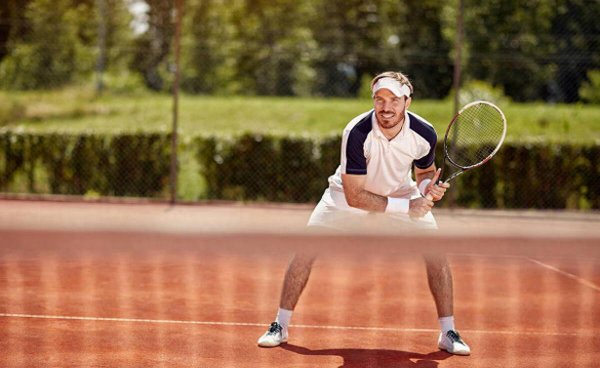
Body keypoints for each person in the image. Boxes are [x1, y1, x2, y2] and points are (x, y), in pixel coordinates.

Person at [257, 71, 470, 356]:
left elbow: (425, 170)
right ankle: (279, 325)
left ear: (407, 101)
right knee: (305, 250)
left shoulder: (424, 133)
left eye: (393, 100)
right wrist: (408, 207)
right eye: (379, 99)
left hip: (400, 194)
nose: (385, 107)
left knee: (437, 254)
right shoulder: (357, 132)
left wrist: (425, 187)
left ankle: (448, 332)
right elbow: (354, 195)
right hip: (344, 199)